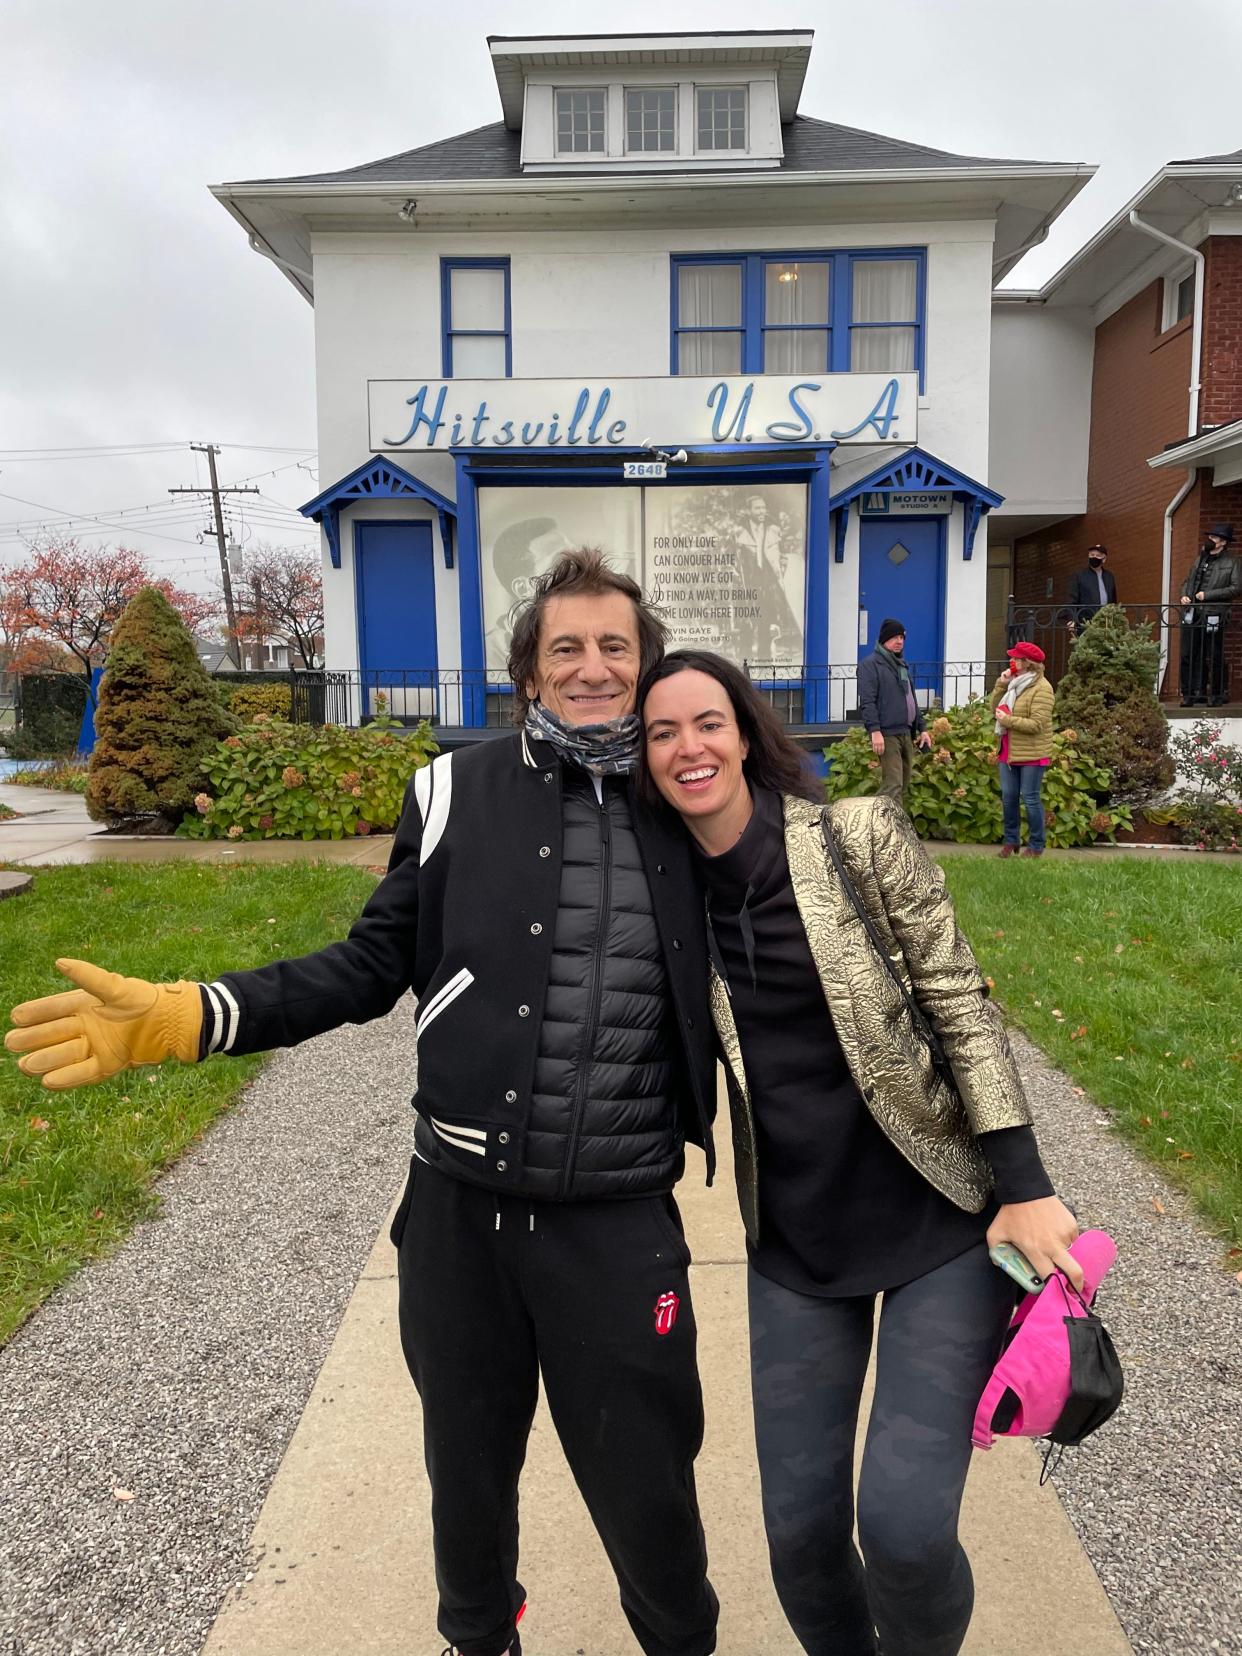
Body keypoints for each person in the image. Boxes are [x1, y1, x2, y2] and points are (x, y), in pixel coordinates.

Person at [5, 551, 721, 1656]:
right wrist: (199, 1015)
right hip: (459, 1218)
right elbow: (369, 962)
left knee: (652, 1499)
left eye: (614, 648)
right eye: (564, 649)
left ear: (646, 665)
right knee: (466, 1484)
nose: (590, 669)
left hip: (620, 1221)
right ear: (527, 671)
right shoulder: (450, 792)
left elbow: (789, 971)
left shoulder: (695, 800)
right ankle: (480, 1638)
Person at [638, 649, 1079, 1656]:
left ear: (745, 731)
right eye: (661, 733)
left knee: (906, 1530)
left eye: (706, 722)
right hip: (797, 1241)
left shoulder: (855, 835)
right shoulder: (664, 896)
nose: (687, 746)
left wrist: (1025, 1184)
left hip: (938, 1221)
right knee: (798, 1536)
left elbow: (958, 998)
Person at [855, 618, 932, 808]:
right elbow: (867, 701)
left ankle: (886, 827)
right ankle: (887, 831)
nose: (899, 641)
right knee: (893, 785)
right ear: (884, 639)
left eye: (902, 637)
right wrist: (875, 731)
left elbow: (911, 699)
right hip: (887, 734)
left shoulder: (901, 665)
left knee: (903, 784)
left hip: (906, 732)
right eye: (895, 637)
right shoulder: (870, 665)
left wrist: (922, 728)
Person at [989, 640, 1054, 860]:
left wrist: (1008, 721)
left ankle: (1036, 845)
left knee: (1030, 797)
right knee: (1008, 797)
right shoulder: (1013, 684)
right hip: (1008, 751)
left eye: (1016, 658)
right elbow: (994, 709)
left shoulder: (1042, 688)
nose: (1012, 661)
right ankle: (1011, 841)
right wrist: (1001, 684)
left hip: (1032, 753)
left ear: (1027, 663)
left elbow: (1037, 724)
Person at [1179, 524, 1240, 706]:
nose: (1210, 540)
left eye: (1214, 537)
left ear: (1223, 542)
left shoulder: (1232, 562)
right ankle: (1190, 693)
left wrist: (1208, 596)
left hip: (1214, 613)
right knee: (1189, 653)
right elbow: (1188, 580)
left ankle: (1217, 693)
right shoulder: (1200, 559)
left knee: (1214, 653)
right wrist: (1184, 594)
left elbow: (1236, 588)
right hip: (1193, 612)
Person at [1064, 544, 1117, 636]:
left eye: (1097, 555)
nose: (1094, 557)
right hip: (1085, 623)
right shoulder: (1079, 576)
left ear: (1104, 559)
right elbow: (1071, 598)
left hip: (1106, 623)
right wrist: (1071, 619)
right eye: (1092, 555)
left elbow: (1113, 599)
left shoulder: (1109, 576)